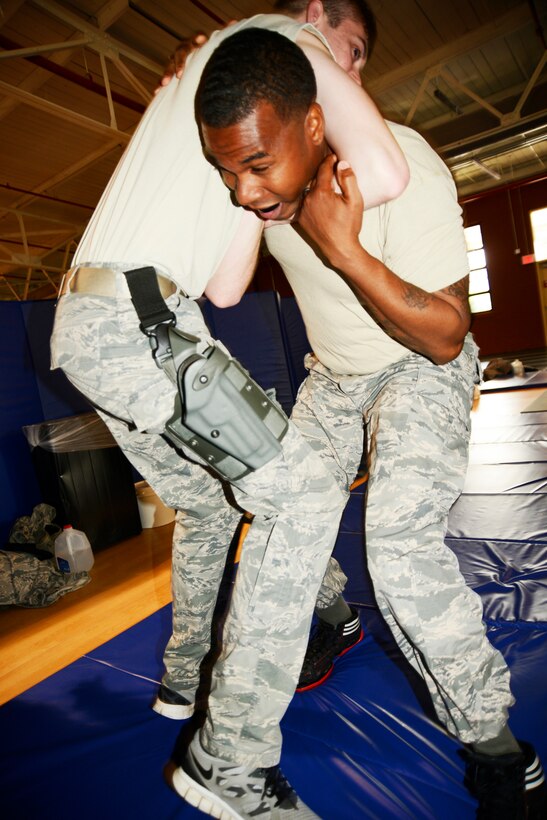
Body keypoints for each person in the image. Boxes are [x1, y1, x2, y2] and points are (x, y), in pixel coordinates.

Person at [50, 8, 408, 820]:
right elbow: (383, 175)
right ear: (318, 17)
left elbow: (224, 287)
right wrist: (318, 139)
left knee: (213, 506)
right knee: (307, 495)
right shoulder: (284, 45)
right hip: (143, 324)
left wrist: (262, 194)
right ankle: (231, 761)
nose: (347, 72)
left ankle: (183, 685)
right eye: (349, 53)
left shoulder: (216, 91)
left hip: (103, 323)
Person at [189, 7, 546, 820]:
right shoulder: (257, 181)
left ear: (318, 120)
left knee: (398, 544)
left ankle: (497, 748)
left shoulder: (402, 161)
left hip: (419, 366)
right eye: (229, 171)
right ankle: (327, 630)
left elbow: (447, 335)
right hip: (334, 378)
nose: (244, 189)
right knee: (273, 507)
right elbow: (225, 286)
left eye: (255, 166)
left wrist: (343, 248)